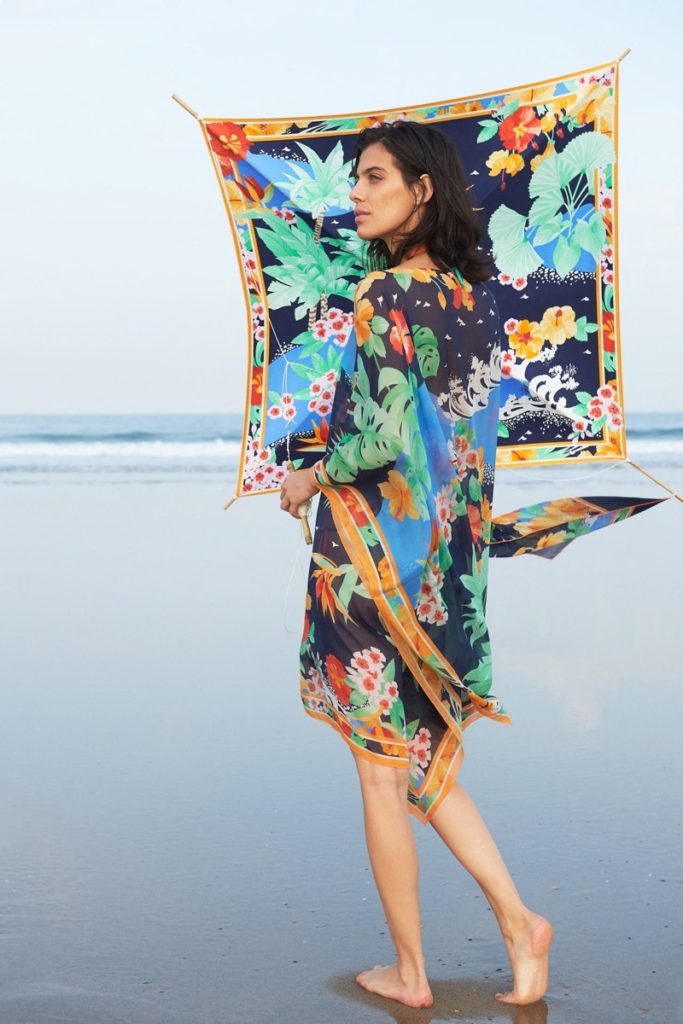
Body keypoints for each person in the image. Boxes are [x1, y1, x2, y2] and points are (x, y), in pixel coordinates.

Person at [278, 120, 665, 1009]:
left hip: (368, 560)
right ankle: (520, 925)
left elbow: (378, 441)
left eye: (376, 177)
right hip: (443, 569)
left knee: (381, 772)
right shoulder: (475, 301)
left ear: (422, 190)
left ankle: (411, 973)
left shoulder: (382, 293)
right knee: (415, 765)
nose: (356, 193)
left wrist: (309, 475)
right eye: (356, 179)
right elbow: (461, 441)